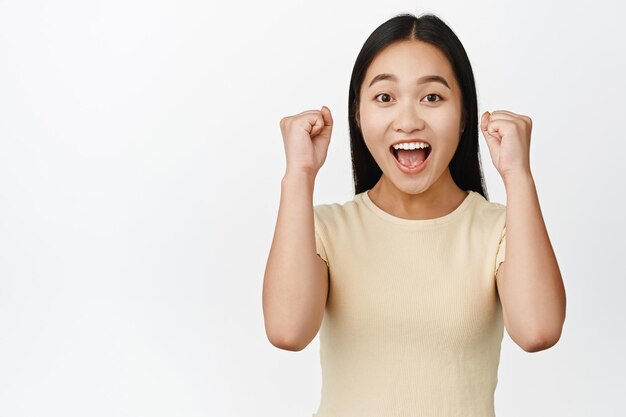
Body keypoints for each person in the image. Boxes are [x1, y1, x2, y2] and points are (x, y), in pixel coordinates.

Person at [262, 12, 566, 417]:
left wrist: (518, 176)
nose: (408, 122)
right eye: (385, 97)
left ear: (464, 118)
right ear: (358, 114)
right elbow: (287, 331)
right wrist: (298, 176)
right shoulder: (325, 229)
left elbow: (537, 331)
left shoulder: (499, 231)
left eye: (433, 97)